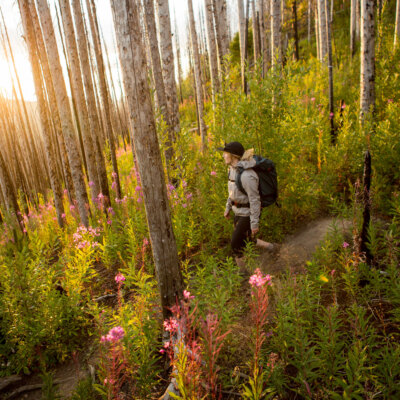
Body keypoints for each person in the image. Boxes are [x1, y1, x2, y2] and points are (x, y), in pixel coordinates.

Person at [218, 141, 275, 269]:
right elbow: (232, 192)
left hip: (247, 215)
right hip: (238, 212)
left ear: (233, 156)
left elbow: (255, 200)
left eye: (225, 153)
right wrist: (228, 207)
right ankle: (272, 248)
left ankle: (243, 274)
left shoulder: (247, 176)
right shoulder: (232, 170)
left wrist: (254, 223)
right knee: (246, 239)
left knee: (236, 244)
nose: (223, 156)